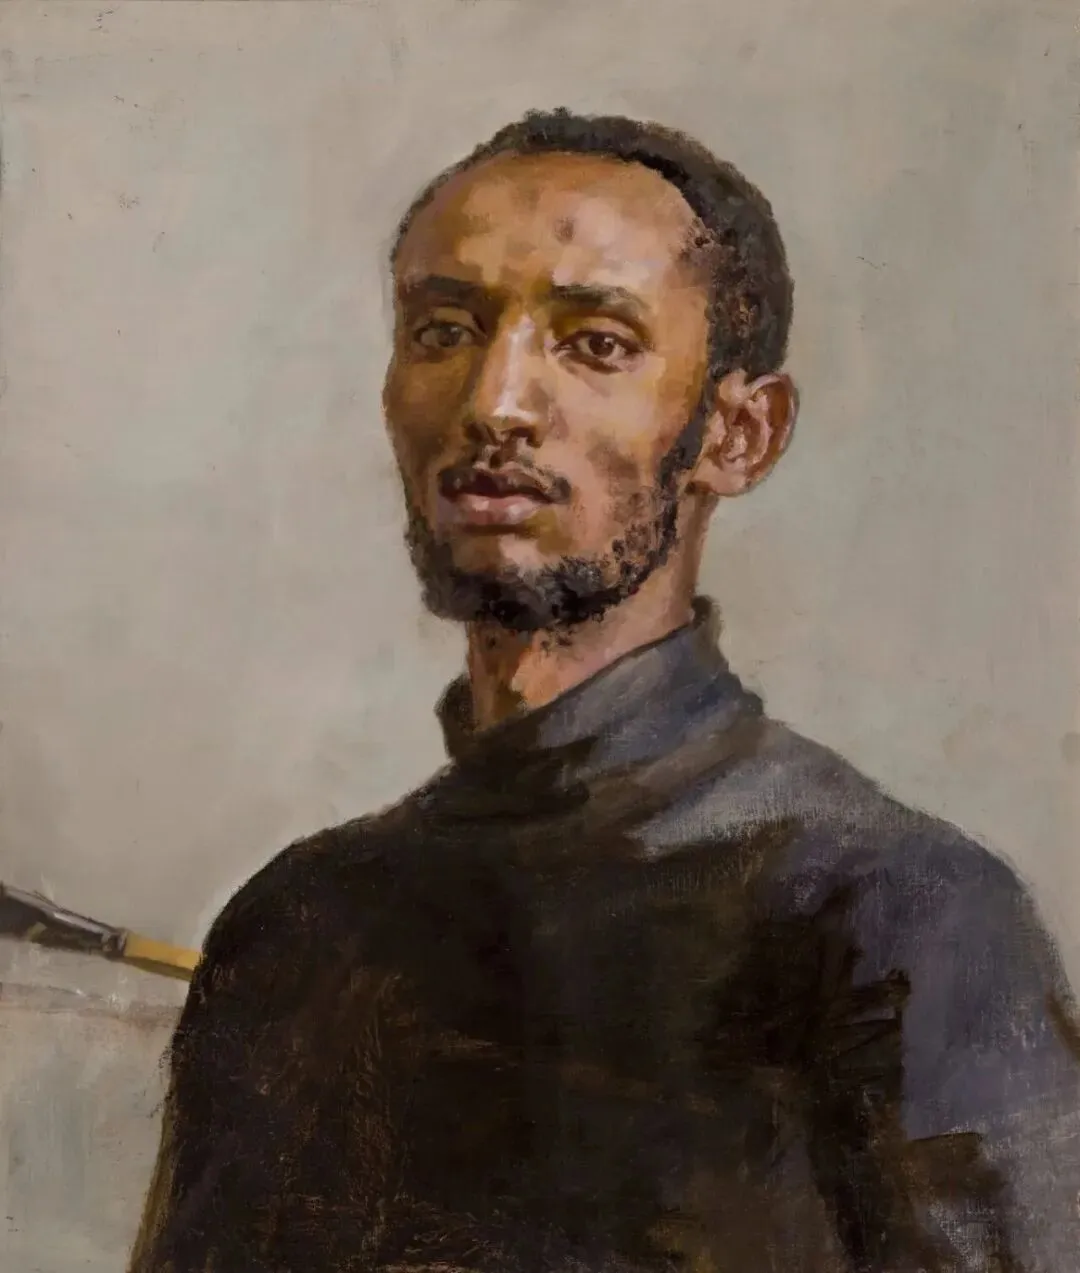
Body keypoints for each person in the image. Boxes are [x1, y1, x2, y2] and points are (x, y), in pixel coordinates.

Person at [129, 109, 1080, 1273]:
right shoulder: (297, 924)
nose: (496, 401)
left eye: (594, 343)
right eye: (443, 329)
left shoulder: (900, 916)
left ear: (739, 433)